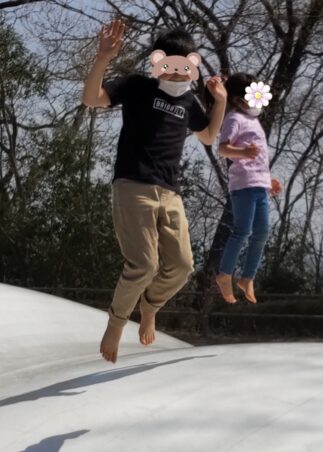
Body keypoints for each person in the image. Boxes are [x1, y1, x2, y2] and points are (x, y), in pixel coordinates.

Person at [82, 19, 227, 363]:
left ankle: (150, 305)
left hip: (169, 193)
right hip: (133, 186)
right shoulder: (137, 87)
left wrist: (219, 102)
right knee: (144, 265)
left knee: (182, 266)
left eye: (184, 67)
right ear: (158, 62)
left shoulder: (189, 102)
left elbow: (208, 136)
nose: (176, 74)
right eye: (170, 66)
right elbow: (91, 98)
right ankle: (117, 323)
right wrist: (103, 58)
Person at [214, 73, 282, 304]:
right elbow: (223, 149)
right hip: (243, 185)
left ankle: (247, 277)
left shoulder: (254, 122)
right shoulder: (234, 119)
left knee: (262, 233)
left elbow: (258, 159)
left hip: (259, 186)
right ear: (237, 100)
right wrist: (242, 152)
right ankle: (225, 274)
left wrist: (268, 180)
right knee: (242, 230)